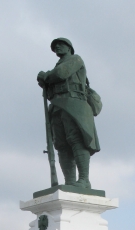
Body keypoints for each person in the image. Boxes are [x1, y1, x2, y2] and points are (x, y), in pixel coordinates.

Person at [37, 38, 100, 189]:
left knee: (76, 140)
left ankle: (84, 179)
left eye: (60, 44)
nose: (57, 47)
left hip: (74, 104)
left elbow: (61, 73)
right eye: (54, 46)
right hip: (57, 105)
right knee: (61, 144)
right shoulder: (57, 66)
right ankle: (70, 181)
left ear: (69, 48)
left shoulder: (75, 59)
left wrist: (45, 76)